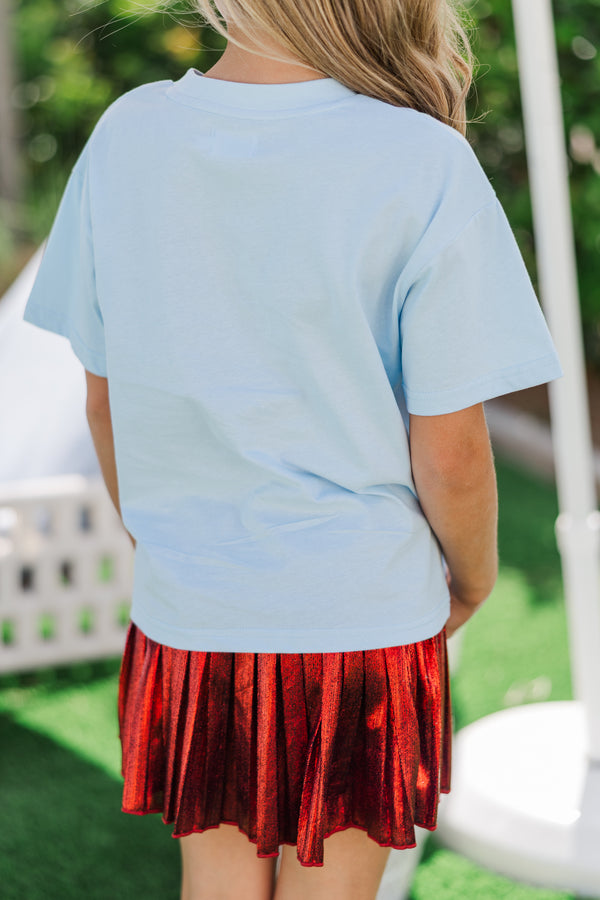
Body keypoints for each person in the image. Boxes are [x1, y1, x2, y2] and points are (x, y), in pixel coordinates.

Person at [22, 0, 563, 897]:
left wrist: (170, 544)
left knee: (216, 883)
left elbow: (105, 402)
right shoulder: (423, 160)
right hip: (365, 617)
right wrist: (472, 577)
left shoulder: (126, 136)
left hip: (193, 610)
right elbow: (453, 454)